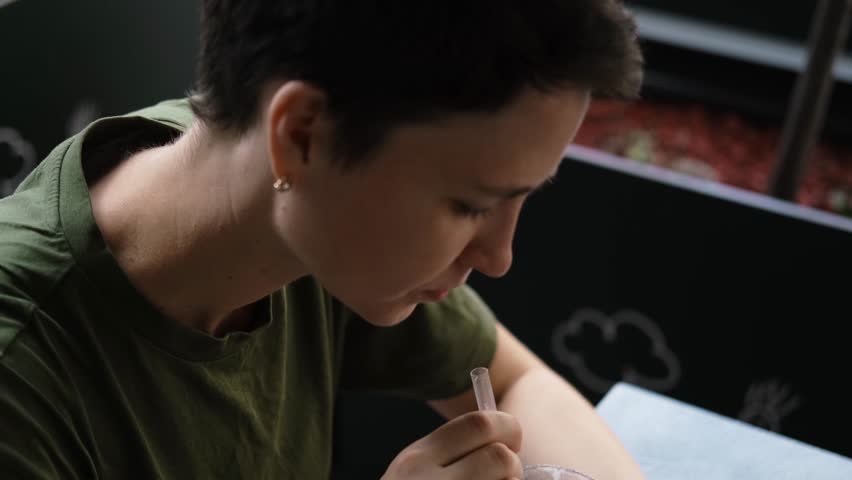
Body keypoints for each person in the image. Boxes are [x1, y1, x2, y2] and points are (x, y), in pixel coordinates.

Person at [0, 1, 644, 478]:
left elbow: (514, 382)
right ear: (302, 135)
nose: (498, 257)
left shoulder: (289, 206)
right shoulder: (24, 378)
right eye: (470, 205)